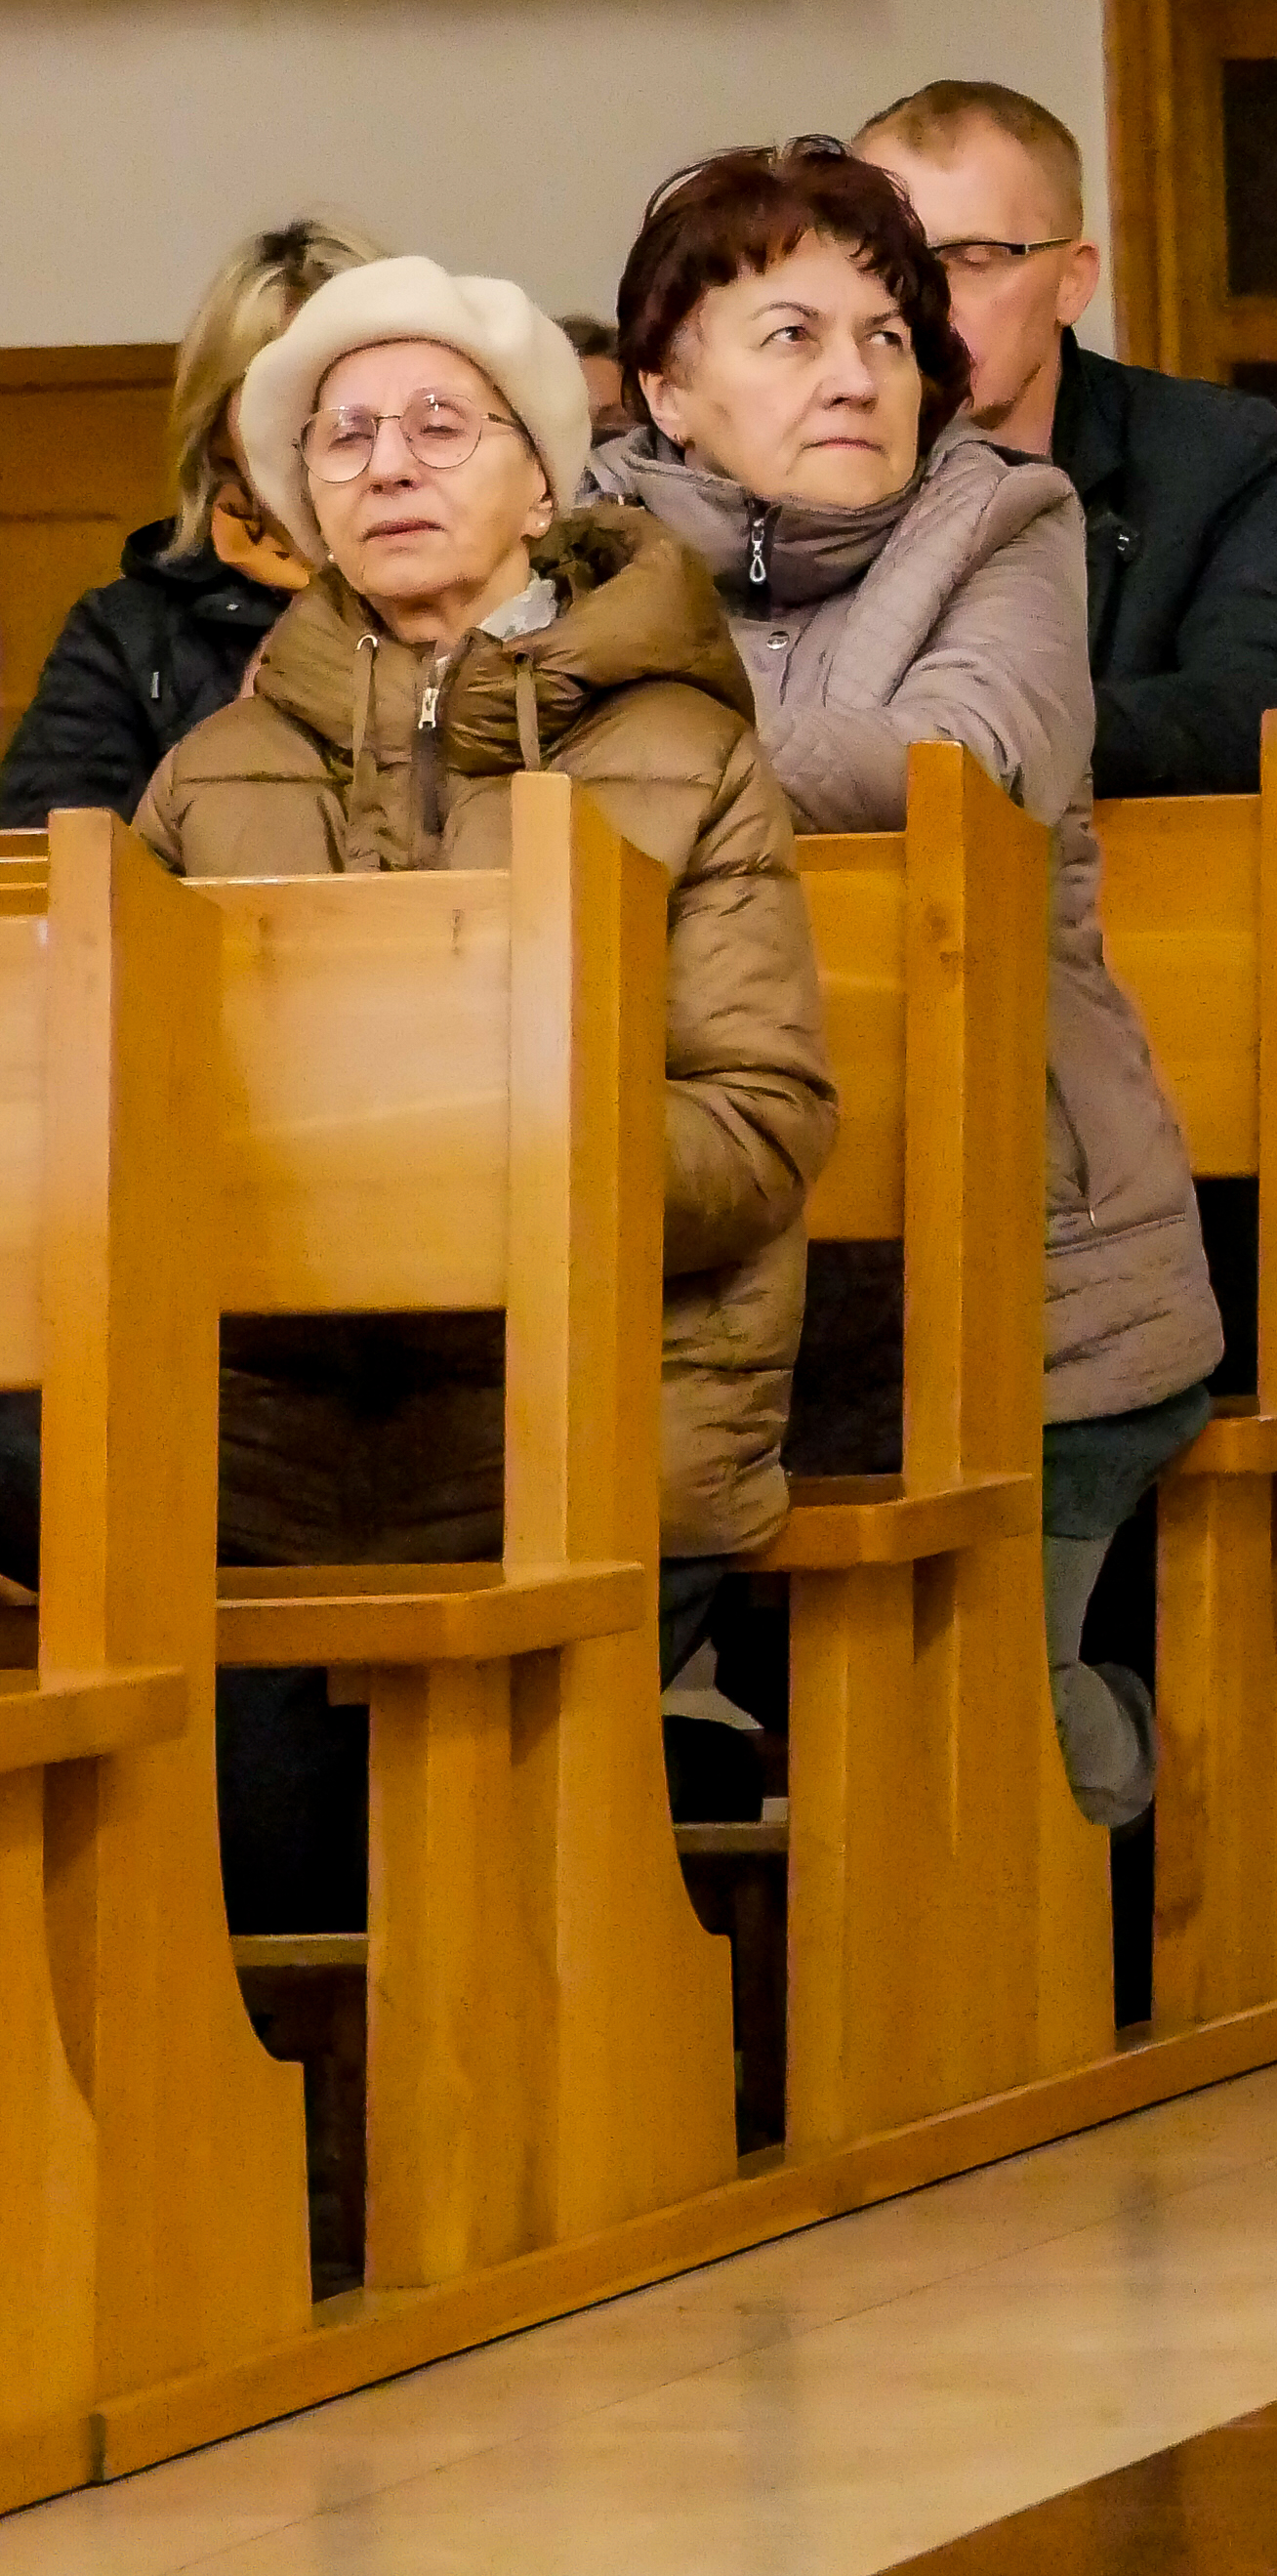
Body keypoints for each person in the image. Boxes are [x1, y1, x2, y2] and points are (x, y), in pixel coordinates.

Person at [126, 255, 834, 1921]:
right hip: (274, 1440)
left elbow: (759, 1120)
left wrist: (464, 1180)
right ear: (304, 502)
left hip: (596, 1415)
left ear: (541, 479)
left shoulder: (684, 750)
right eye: (346, 438)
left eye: (441, 425)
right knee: (266, 1878)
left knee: (471, 1893)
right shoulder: (209, 777)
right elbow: (108, 1117)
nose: (389, 465)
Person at [592, 140, 1225, 1830]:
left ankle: (1106, 1776)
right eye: (791, 335)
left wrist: (641, 747)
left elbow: (966, 763)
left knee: (976, 1745)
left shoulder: (1005, 521)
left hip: (1017, 1255)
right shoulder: (577, 553)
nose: (855, 375)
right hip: (705, 1256)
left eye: (886, 335)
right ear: (668, 390)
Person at [852, 78, 1277, 794]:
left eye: (972, 260)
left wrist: (1007, 733)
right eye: (886, 265)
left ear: (1072, 282)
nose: (921, 306)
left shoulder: (1209, 454)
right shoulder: (799, 457)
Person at [0, 211, 379, 828]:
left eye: (347, 385)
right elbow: (51, 857)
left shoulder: (491, 593)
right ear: (218, 432)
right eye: (275, 389)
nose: (323, 423)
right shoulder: (129, 635)